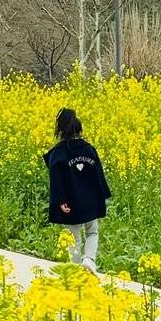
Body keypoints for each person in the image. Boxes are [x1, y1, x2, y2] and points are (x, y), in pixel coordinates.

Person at [44, 106, 110, 270]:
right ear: (79, 128)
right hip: (90, 201)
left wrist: (60, 201)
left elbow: (56, 180)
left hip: (70, 204)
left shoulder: (58, 154)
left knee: (73, 237)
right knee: (92, 232)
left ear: (60, 130)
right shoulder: (89, 149)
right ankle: (89, 260)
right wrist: (102, 196)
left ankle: (74, 268)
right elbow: (98, 175)